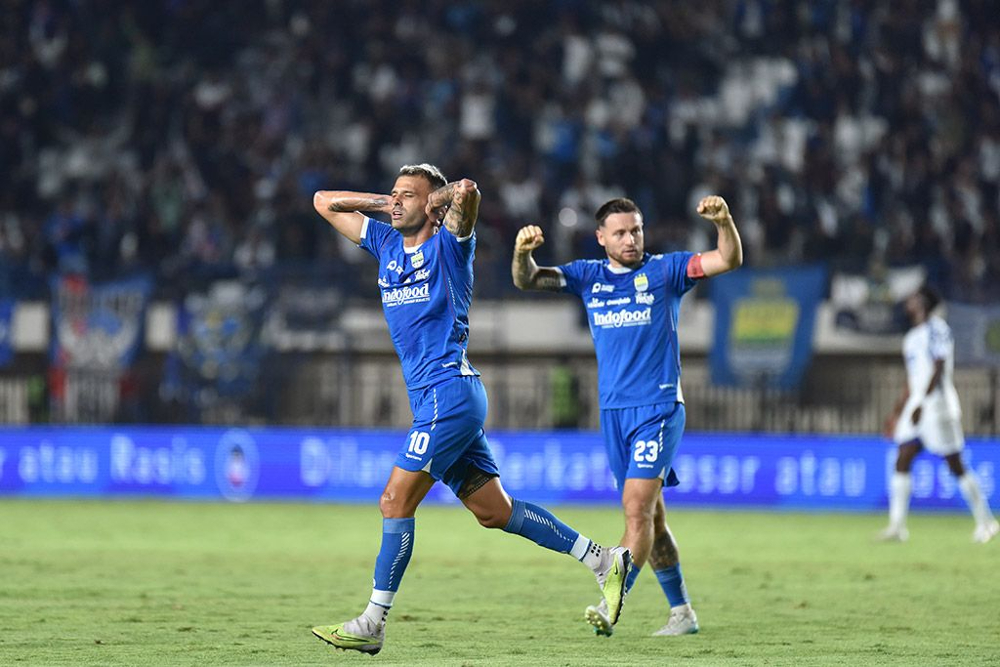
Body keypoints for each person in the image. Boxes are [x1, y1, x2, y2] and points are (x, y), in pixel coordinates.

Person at [309, 164, 632, 655]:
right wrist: (392, 202)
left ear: (431, 208)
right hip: (443, 399)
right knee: (494, 511)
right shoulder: (385, 242)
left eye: (407, 196)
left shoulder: (449, 247)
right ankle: (602, 560)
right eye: (393, 194)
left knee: (395, 502)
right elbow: (322, 201)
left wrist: (442, 199)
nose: (395, 202)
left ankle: (373, 622)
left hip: (448, 395)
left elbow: (469, 196)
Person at [511, 196, 743, 637]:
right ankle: (683, 614)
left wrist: (724, 222)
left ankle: (611, 600)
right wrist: (523, 254)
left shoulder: (666, 271)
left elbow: (728, 258)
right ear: (601, 238)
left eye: (636, 230)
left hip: (658, 407)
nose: (630, 239)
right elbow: (528, 280)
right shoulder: (587, 276)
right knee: (652, 519)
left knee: (635, 509)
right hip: (614, 413)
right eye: (619, 232)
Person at [880, 286, 999, 544]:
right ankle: (897, 527)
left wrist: (922, 402)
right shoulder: (911, 338)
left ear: (923, 303)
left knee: (955, 465)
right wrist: (898, 411)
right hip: (917, 406)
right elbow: (913, 379)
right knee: (902, 458)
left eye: (913, 298)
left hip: (938, 407)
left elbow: (939, 364)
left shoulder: (937, 328)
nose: (908, 302)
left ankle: (987, 522)